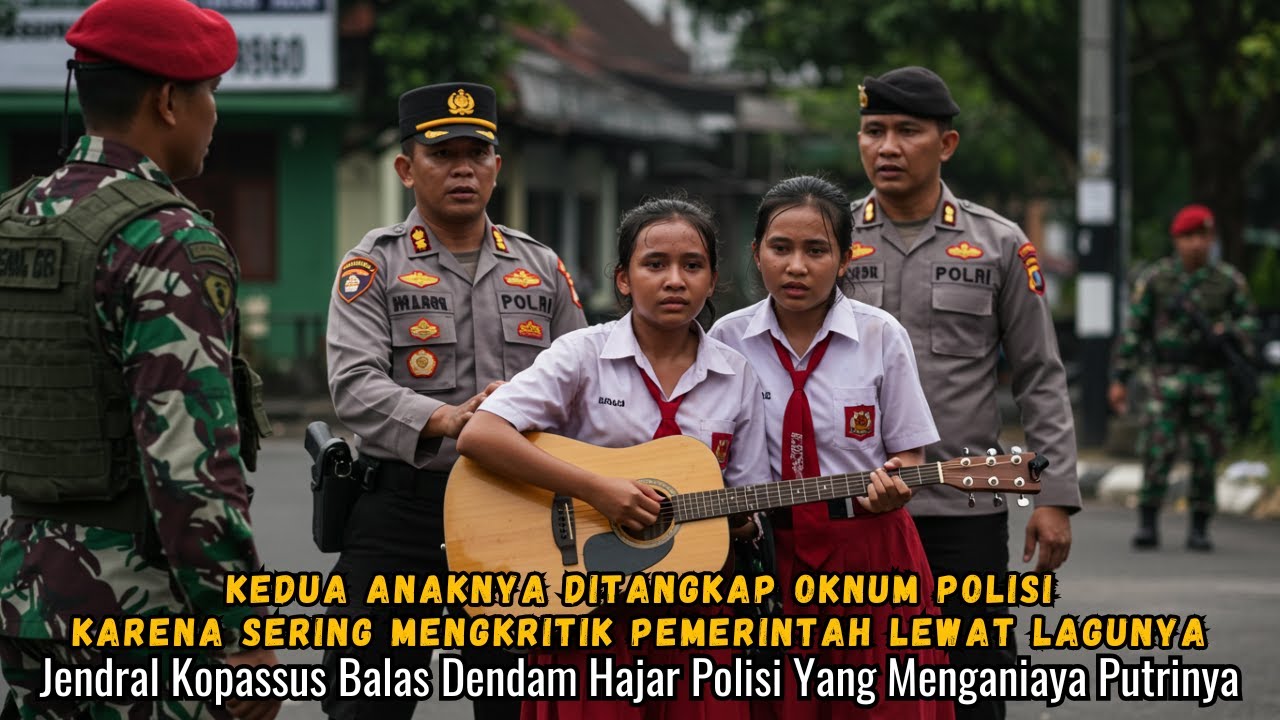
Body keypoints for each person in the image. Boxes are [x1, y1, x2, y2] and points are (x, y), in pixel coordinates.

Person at [0, 0, 280, 718]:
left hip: (32, 600)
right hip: (143, 618)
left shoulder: (13, 220)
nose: (213, 114)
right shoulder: (167, 241)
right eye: (209, 92)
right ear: (167, 100)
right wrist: (243, 631)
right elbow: (189, 466)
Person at [321, 81, 587, 720]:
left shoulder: (541, 266)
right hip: (402, 512)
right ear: (407, 169)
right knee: (366, 706)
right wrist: (449, 420)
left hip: (515, 514)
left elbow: (586, 384)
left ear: (498, 166)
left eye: (478, 152)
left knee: (517, 708)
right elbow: (354, 385)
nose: (462, 167)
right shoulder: (374, 265)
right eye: (443, 154)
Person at [456, 195, 770, 720]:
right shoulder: (581, 355)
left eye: (692, 266)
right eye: (655, 264)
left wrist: (738, 521)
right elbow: (481, 435)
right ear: (623, 279)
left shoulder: (737, 374)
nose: (675, 280)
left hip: (694, 616)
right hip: (590, 608)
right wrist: (597, 490)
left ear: (713, 281)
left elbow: (746, 499)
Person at [840, 66, 1081, 720]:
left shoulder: (1000, 244)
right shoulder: (826, 241)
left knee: (971, 686)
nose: (886, 147)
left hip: (962, 513)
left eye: (907, 131)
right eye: (873, 131)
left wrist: (1053, 495)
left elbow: (1039, 373)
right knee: (849, 683)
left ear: (946, 144)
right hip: (847, 507)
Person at [710, 175, 953, 720]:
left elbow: (909, 451)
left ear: (846, 258)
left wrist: (897, 484)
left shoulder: (880, 335)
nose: (797, 266)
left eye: (817, 250)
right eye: (781, 248)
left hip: (870, 550)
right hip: (770, 556)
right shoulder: (724, 340)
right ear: (756, 254)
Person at [1108, 204, 1257, 551]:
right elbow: (1135, 331)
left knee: (1206, 455)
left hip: (1209, 378)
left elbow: (1250, 321)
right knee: (1157, 451)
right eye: (1188, 237)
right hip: (1165, 377)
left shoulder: (1228, 280)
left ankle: (1200, 526)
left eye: (1201, 236)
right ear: (1177, 241)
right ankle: (1148, 521)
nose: (1195, 244)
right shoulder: (1158, 280)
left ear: (1211, 239)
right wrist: (1120, 378)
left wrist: (1228, 331)